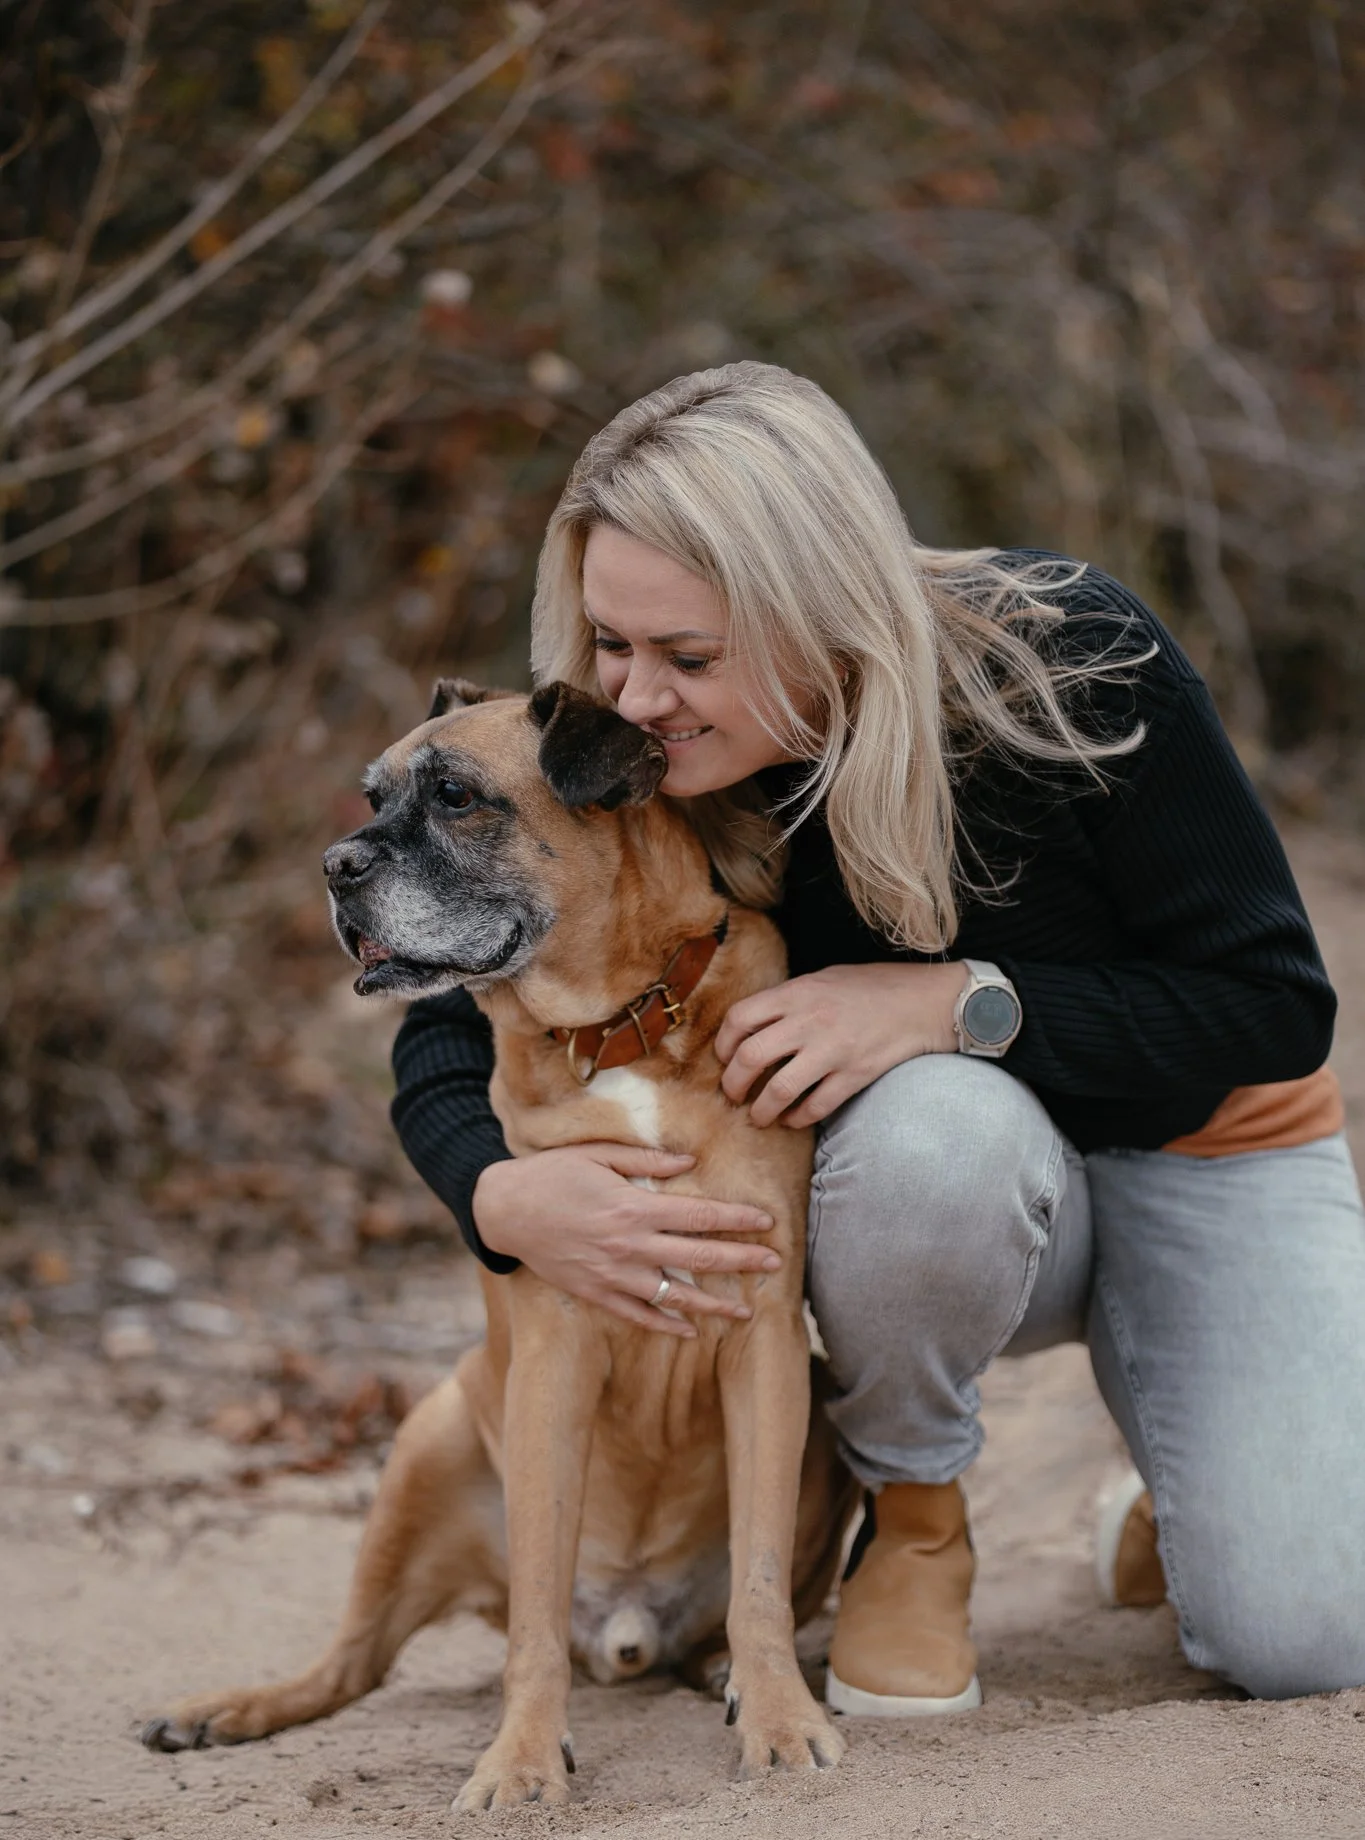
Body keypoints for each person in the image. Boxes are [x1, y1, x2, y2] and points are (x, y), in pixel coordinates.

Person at [390, 361, 1365, 1713]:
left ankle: (1191, 1481)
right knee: (934, 1129)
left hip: (1203, 1151)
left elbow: (1275, 1005)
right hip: (933, 1198)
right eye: (612, 643)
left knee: (1308, 1640)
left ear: (821, 607)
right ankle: (914, 1517)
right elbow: (464, 1007)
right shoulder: (642, 769)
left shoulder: (1070, 657)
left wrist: (952, 999)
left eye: (689, 657)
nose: (640, 697)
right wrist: (498, 1196)